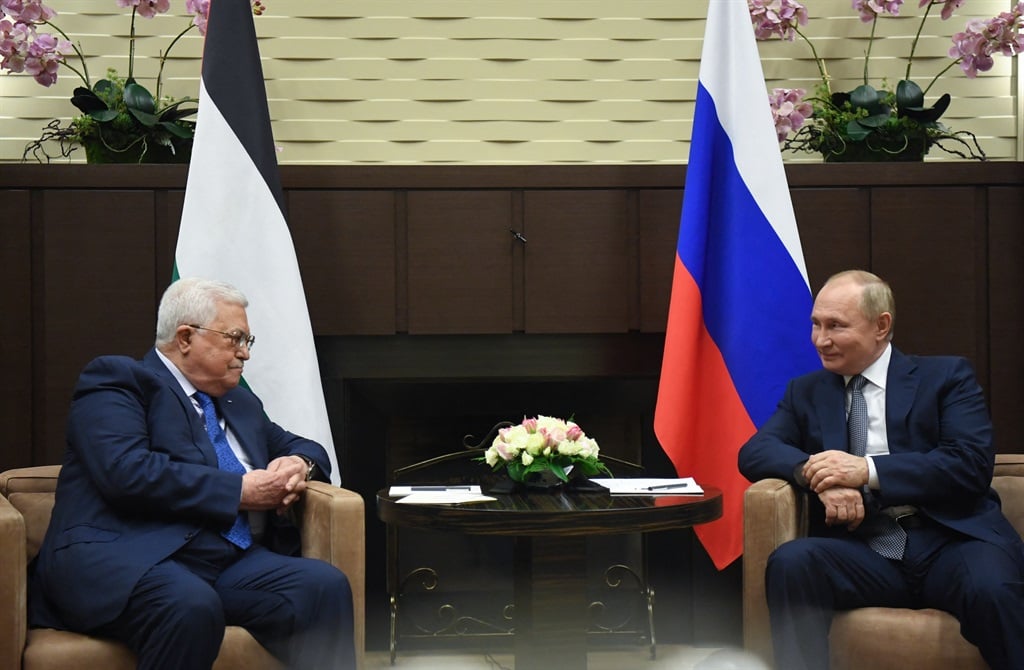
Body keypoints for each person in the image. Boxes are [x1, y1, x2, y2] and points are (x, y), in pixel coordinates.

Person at [28, 277, 356, 670]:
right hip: (129, 557)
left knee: (322, 587)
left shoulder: (238, 402)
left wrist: (299, 463)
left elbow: (303, 446)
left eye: (247, 342)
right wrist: (239, 492)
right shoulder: (118, 383)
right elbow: (126, 472)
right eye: (235, 339)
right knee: (189, 605)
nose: (244, 355)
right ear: (185, 337)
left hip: (224, 562)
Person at [738, 269, 1024, 670]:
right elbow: (755, 451)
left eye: (836, 326)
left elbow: (969, 465)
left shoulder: (945, 378)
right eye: (816, 325)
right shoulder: (806, 392)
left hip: (953, 541)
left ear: (881, 325)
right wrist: (816, 476)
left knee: (993, 588)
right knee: (792, 562)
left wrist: (866, 471)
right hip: (865, 549)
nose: (821, 339)